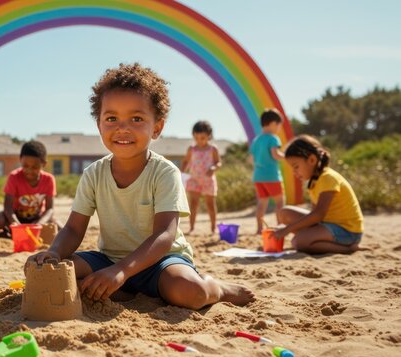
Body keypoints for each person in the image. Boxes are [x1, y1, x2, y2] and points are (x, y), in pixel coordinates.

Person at [28, 63, 254, 310]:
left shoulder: (165, 172)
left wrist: (122, 271)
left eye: (136, 118)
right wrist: (54, 253)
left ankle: (217, 287)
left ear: (156, 127)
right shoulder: (93, 174)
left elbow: (164, 236)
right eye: (111, 118)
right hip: (109, 259)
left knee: (192, 293)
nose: (122, 127)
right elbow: (73, 228)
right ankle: (122, 287)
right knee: (58, 271)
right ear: (99, 125)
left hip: (160, 262)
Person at [274, 135, 363, 254]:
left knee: (299, 242)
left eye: (296, 167)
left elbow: (318, 214)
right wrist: (288, 228)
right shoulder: (314, 181)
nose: (294, 172)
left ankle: (348, 249)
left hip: (347, 231)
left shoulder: (327, 178)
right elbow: (314, 216)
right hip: (328, 224)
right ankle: (312, 237)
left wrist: (288, 229)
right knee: (284, 213)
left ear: (311, 160)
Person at [0, 140, 58, 237]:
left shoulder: (49, 179)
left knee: (57, 226)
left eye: (35, 167)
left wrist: (38, 224)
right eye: (25, 166)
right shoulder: (14, 177)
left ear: (44, 164)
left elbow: (50, 209)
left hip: (37, 218)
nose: (29, 170)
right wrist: (16, 224)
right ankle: (12, 237)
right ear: (20, 160)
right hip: (16, 217)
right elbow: (7, 207)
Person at [249, 108, 285, 234]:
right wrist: (285, 156)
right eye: (279, 125)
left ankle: (259, 228)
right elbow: (275, 154)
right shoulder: (273, 138)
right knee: (280, 202)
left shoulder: (256, 140)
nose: (279, 128)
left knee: (262, 203)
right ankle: (281, 225)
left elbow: (251, 159)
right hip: (272, 176)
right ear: (273, 123)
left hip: (258, 177)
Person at [181, 120, 221, 234]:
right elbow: (185, 162)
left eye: (202, 138)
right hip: (194, 180)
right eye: (196, 138)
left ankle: (213, 228)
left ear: (209, 136)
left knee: (210, 205)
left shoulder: (213, 149)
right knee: (193, 204)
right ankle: (192, 228)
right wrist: (181, 173)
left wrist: (214, 168)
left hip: (208, 180)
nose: (199, 141)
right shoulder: (192, 149)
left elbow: (218, 162)